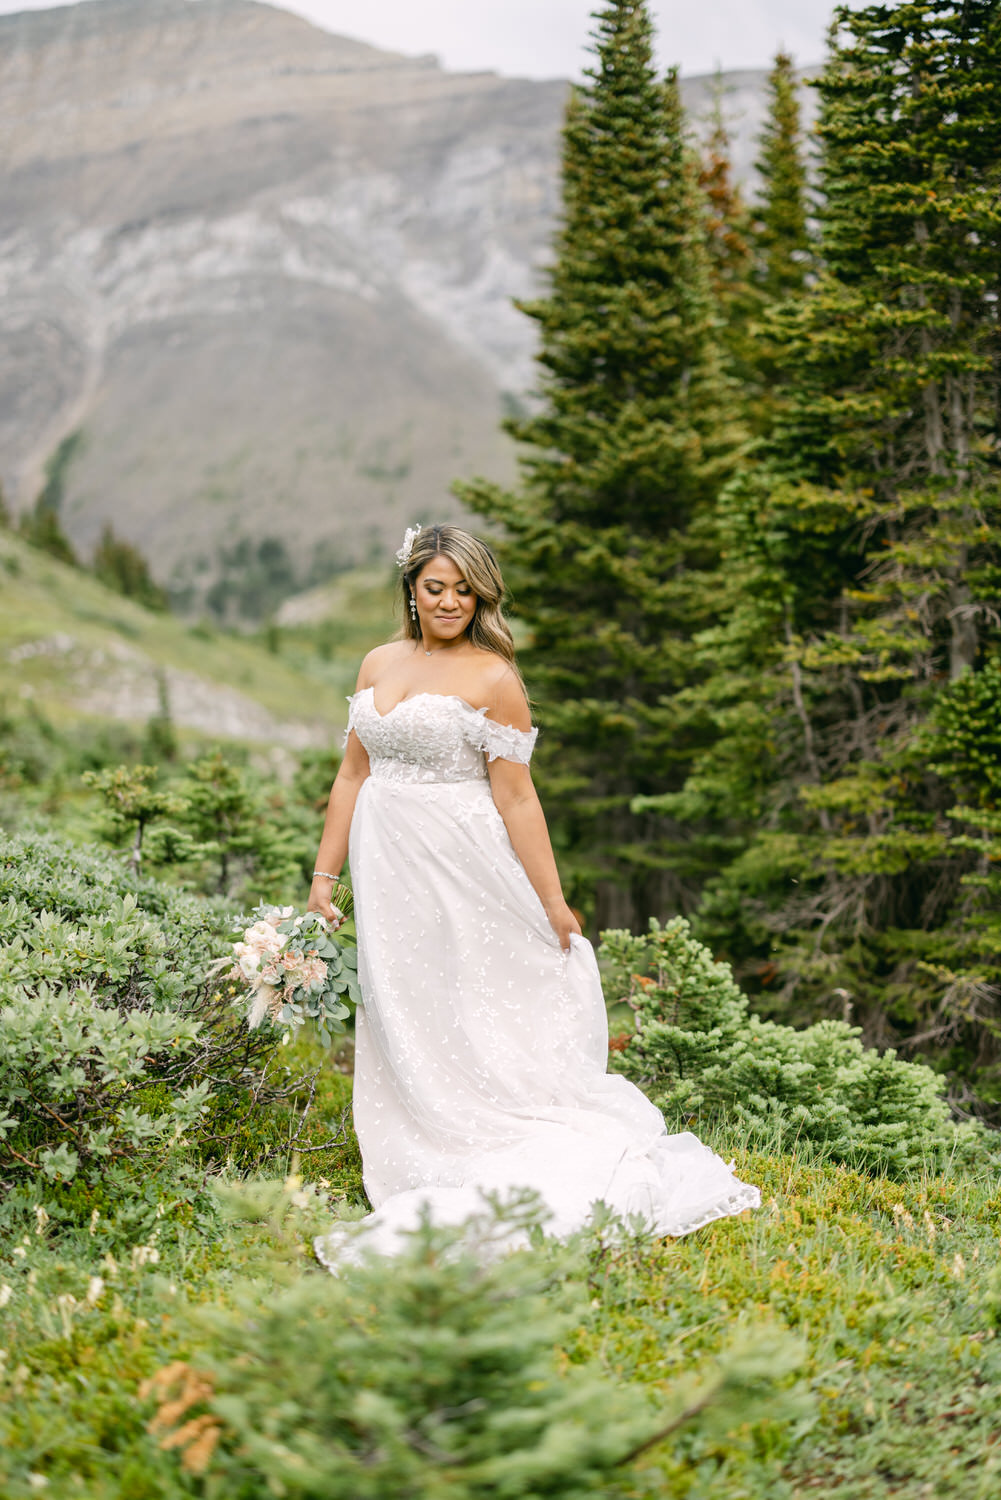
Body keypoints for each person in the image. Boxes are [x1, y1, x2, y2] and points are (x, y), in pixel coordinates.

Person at [309, 523, 758, 1264]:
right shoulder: (376, 660)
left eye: (463, 589)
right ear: (411, 592)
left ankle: (482, 1127)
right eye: (434, 588)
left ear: (481, 596)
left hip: (462, 860)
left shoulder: (494, 678)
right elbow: (352, 774)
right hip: (385, 864)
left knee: (469, 991)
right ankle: (416, 1123)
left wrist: (550, 901)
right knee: (402, 995)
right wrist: (325, 878)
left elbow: (516, 799)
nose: (449, 601)